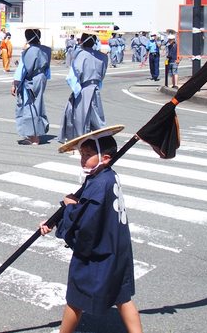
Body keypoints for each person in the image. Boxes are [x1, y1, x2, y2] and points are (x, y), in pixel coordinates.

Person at [41, 125, 142, 333]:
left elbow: (85, 224)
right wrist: (57, 218)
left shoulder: (98, 184)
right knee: (121, 296)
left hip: (98, 252)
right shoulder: (107, 176)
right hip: (116, 248)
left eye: (88, 155)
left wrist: (69, 208)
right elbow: (90, 210)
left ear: (105, 158)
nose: (83, 159)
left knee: (76, 297)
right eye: (82, 154)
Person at [59, 32, 109, 144]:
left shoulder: (80, 55)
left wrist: (76, 91)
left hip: (83, 89)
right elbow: (102, 75)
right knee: (97, 117)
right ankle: (100, 141)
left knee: (80, 118)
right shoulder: (102, 56)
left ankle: (81, 142)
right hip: (95, 88)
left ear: (82, 41)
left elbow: (72, 77)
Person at [11, 28, 51, 145]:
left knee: (29, 106)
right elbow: (47, 68)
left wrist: (15, 84)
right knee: (38, 105)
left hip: (30, 80)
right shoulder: (46, 50)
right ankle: (37, 133)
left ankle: (33, 137)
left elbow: (22, 69)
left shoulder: (27, 52)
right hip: (41, 78)